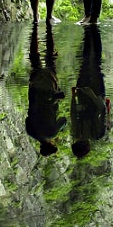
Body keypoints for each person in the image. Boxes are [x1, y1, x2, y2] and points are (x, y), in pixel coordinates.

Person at [70, 25, 111, 158]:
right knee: (88, 64)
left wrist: (78, 96)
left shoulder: (96, 134)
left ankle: (92, 32)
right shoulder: (92, 133)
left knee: (93, 64)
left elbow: (103, 108)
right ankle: (91, 31)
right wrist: (74, 96)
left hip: (93, 95)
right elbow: (73, 113)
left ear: (87, 146)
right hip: (87, 95)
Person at [24, 26, 65, 157]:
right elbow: (27, 119)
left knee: (50, 60)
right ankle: (34, 32)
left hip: (49, 91)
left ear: (52, 144)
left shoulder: (52, 133)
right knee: (35, 61)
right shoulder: (31, 132)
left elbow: (63, 120)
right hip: (34, 91)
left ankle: (49, 32)